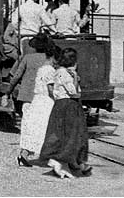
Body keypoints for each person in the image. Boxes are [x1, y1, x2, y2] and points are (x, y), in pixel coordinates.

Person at [2, 33, 56, 166]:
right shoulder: (50, 59)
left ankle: (24, 153)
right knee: (45, 126)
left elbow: (15, 76)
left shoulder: (27, 58)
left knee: (28, 127)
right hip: (44, 98)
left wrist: (8, 92)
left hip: (27, 97)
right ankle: (48, 155)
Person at [39, 47, 92, 179]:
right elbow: (74, 92)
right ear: (73, 60)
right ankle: (59, 160)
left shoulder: (59, 71)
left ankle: (72, 163)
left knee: (63, 134)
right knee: (73, 134)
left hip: (61, 106)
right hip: (69, 106)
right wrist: (75, 79)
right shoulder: (65, 73)